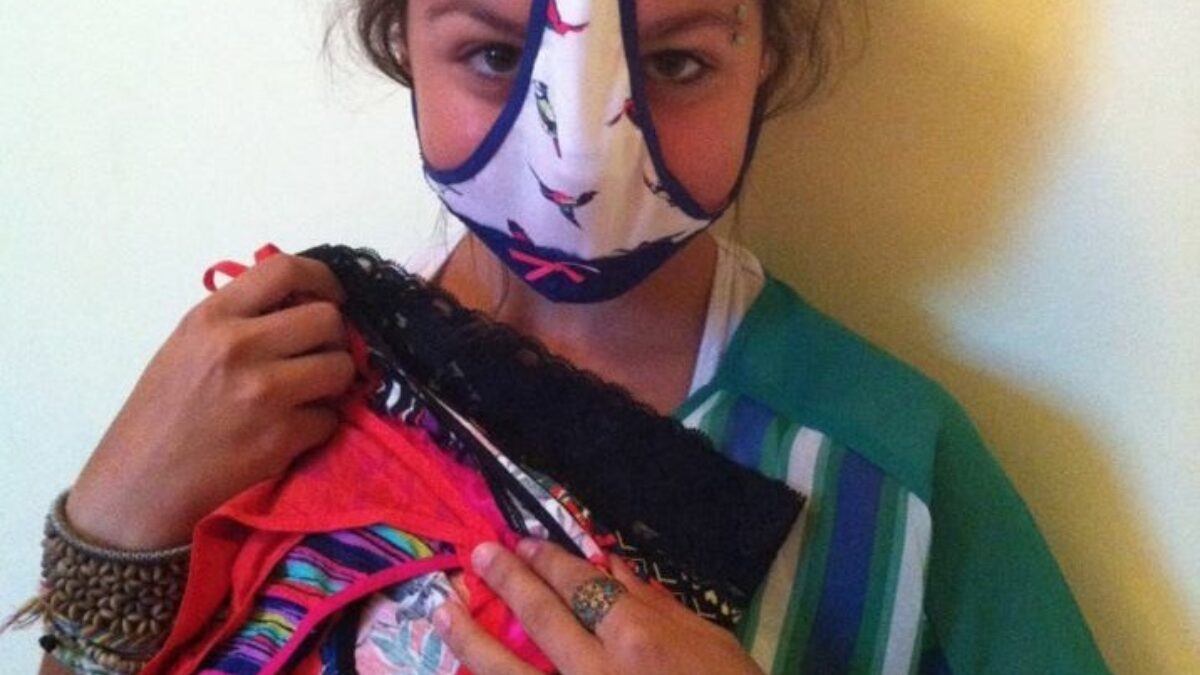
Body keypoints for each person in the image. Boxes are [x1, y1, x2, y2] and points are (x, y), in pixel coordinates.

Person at [28, 0, 1109, 673]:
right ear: (402, 39)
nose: (576, 164)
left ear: (766, 57)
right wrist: (114, 526)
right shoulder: (263, 379)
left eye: (677, 65)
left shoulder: (892, 464)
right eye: (496, 54)